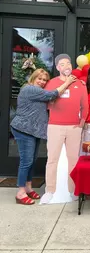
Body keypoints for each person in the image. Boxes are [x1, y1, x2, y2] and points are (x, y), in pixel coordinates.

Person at [10, 68, 76, 205]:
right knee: (26, 161)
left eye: (45, 80)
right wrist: (68, 81)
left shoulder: (37, 92)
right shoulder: (29, 89)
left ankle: (28, 187)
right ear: (33, 78)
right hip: (24, 129)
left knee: (31, 161)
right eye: (39, 78)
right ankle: (20, 192)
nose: (42, 82)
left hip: (33, 130)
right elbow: (53, 94)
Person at [40, 54, 89, 204]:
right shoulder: (51, 83)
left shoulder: (80, 84)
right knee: (52, 159)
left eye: (68, 63)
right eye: (62, 64)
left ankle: (73, 190)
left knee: (73, 160)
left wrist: (81, 123)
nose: (66, 66)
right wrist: (66, 83)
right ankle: (50, 190)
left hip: (74, 127)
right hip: (55, 125)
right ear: (57, 67)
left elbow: (85, 106)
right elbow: (49, 101)